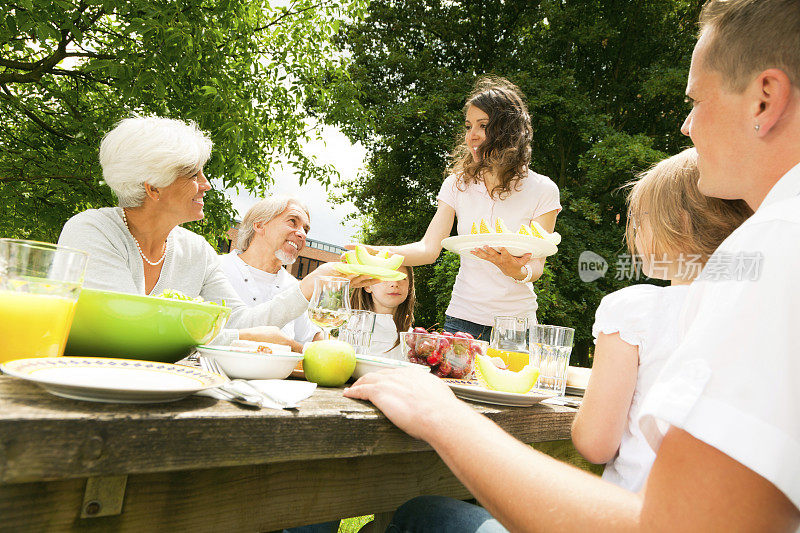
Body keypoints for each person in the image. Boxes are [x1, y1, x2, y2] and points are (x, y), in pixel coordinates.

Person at [343, 0, 800, 530]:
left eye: (696, 100)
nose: (685, 126)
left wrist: (442, 415)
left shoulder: (774, 248)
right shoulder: (770, 245)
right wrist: (373, 254)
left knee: (416, 516)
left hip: (512, 325)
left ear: (764, 101)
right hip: (466, 314)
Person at [59, 116, 375, 346]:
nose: (206, 184)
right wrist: (237, 338)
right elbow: (125, 329)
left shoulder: (197, 251)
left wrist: (311, 285)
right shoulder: (92, 231)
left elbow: (240, 320)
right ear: (154, 186)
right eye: (193, 174)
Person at [571, 148, 752, 491]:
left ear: (679, 224)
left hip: (634, 513)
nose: (634, 235)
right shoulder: (757, 310)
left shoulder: (632, 311)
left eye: (639, 222)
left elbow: (594, 444)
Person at [351, 77, 561, 340]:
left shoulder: (544, 190)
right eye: (469, 125)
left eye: (483, 126)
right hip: (462, 319)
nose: (471, 134)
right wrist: (377, 253)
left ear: (508, 131)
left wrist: (516, 270)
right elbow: (428, 249)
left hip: (516, 326)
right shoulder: (457, 184)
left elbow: (536, 266)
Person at [219, 196, 323, 352]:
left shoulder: (295, 287)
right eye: (293, 222)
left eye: (306, 229)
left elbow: (314, 339)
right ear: (260, 225)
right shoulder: (216, 268)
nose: (302, 234)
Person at [349, 265, 415, 360]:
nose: (394, 283)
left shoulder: (413, 338)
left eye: (402, 277)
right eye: (386, 276)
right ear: (367, 285)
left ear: (409, 286)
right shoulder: (350, 327)